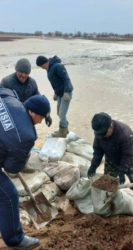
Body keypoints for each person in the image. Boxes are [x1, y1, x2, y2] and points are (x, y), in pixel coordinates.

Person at [0, 88, 50, 249]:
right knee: (9, 195)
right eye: (41, 117)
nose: (41, 122)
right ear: (31, 111)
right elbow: (12, 168)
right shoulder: (27, 136)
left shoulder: (9, 97)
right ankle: (16, 239)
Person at [86, 113, 133, 220]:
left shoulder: (125, 133)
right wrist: (93, 166)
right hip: (111, 157)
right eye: (99, 134)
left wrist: (122, 172)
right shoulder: (100, 134)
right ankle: (109, 207)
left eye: (104, 133)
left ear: (110, 127)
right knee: (108, 181)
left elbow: (127, 155)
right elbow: (98, 151)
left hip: (128, 157)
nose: (103, 136)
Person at [1, 58, 52, 127]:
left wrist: (47, 115)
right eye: (21, 72)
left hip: (27, 118)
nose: (23, 75)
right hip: (12, 118)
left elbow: (40, 101)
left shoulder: (32, 83)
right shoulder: (6, 82)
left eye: (26, 73)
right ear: (16, 70)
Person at [36, 55, 73, 137]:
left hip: (66, 93)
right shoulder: (49, 68)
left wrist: (66, 92)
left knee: (62, 113)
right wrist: (56, 93)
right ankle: (64, 130)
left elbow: (66, 79)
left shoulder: (57, 66)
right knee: (59, 113)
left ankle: (62, 132)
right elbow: (56, 82)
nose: (42, 68)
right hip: (60, 94)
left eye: (41, 66)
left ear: (44, 63)